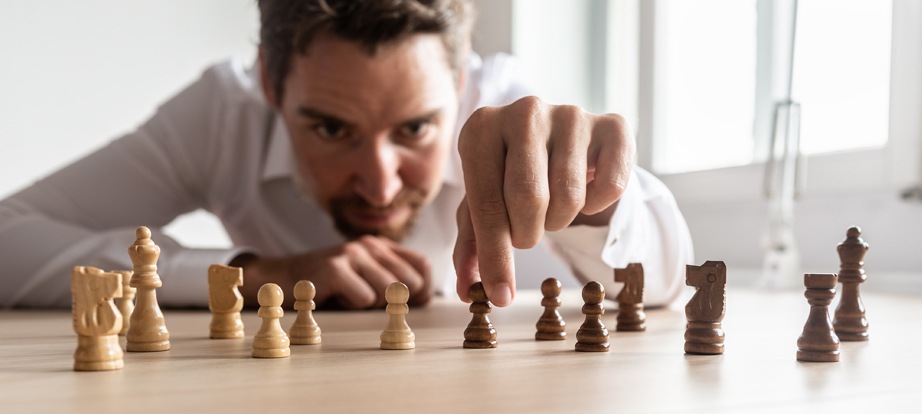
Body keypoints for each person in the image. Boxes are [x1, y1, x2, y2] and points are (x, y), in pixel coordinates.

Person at [0, 0, 693, 309]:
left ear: (458, 85)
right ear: (269, 84)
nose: (380, 181)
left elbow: (668, 282)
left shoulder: (504, 106)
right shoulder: (221, 113)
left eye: (416, 128)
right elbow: (7, 240)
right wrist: (251, 275)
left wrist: (599, 207)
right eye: (331, 129)